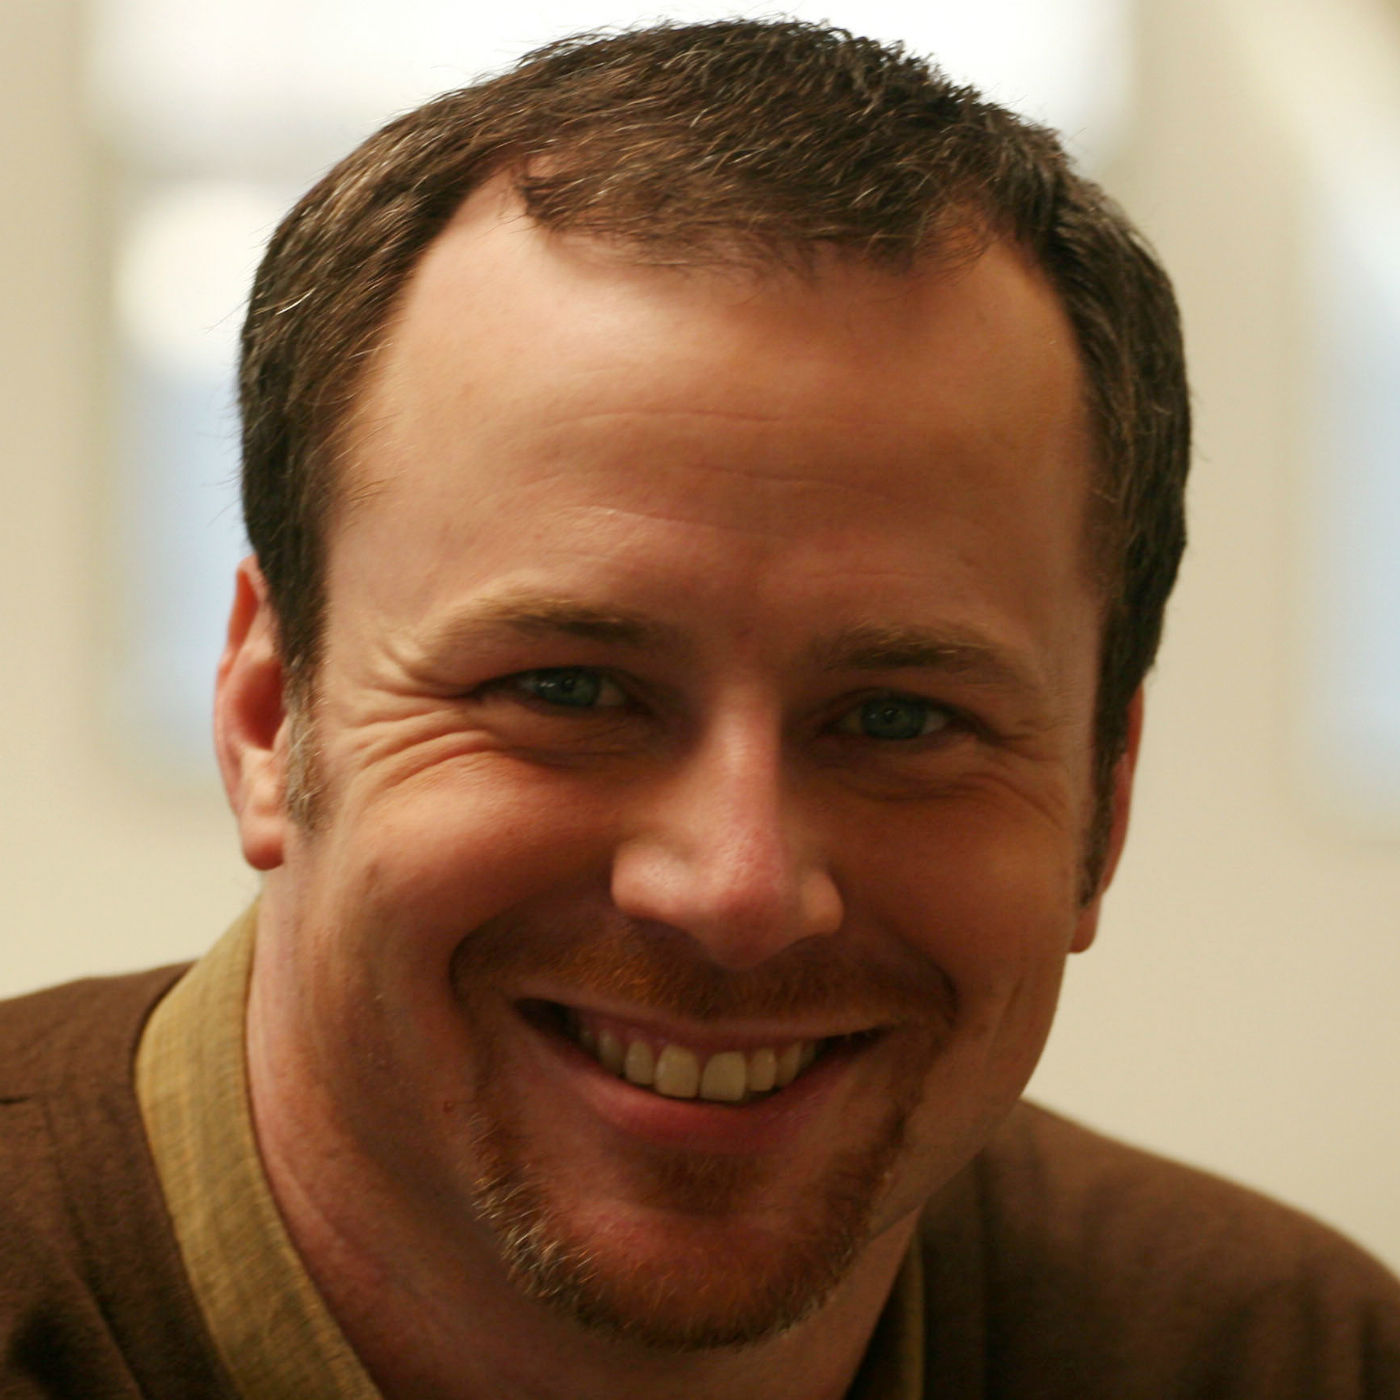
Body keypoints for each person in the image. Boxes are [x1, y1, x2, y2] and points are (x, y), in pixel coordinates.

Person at [2, 18, 1398, 1400]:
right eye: (565, 691)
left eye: (900, 720)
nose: (737, 890)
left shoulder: (1293, 1359)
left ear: (1104, 800)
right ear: (267, 719)